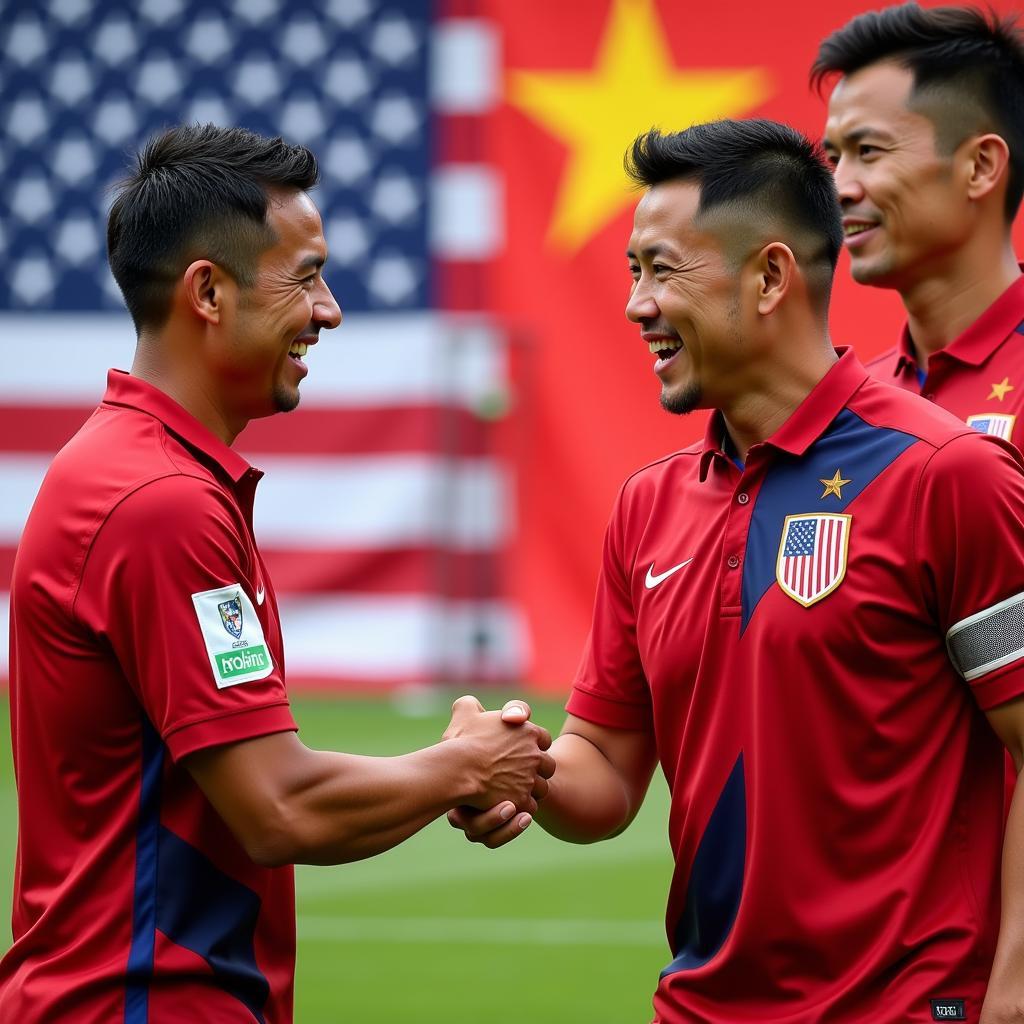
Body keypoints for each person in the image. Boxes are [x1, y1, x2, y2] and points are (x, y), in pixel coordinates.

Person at [451, 119, 1024, 1022]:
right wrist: (517, 769)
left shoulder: (946, 475)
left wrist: (1015, 995)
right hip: (701, 1006)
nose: (638, 303)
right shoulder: (649, 505)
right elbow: (603, 766)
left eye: (663, 269)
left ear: (768, 278)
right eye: (632, 271)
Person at [0, 123, 554, 1023]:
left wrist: (459, 769)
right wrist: (462, 768)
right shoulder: (159, 501)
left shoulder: (140, 473)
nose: (329, 310)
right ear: (208, 293)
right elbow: (279, 808)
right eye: (304, 277)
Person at [813, 3, 1024, 440]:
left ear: (980, 166)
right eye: (834, 159)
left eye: (868, 150)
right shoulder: (848, 407)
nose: (840, 187)